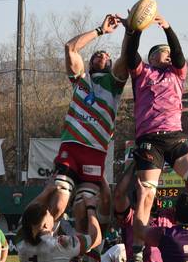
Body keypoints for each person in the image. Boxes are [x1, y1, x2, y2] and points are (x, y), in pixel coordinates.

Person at [122, 13, 188, 262]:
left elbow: (180, 55)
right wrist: (136, 29)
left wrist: (168, 29)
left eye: (169, 52)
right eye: (163, 52)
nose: (169, 55)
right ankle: (137, 252)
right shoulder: (142, 73)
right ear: (151, 58)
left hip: (174, 137)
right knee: (146, 194)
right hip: (150, 140)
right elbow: (130, 55)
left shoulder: (178, 72)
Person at [32, 14, 128, 225]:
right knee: (58, 201)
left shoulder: (115, 85)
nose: (102, 55)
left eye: (107, 55)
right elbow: (70, 48)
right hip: (72, 148)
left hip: (95, 152)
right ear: (91, 63)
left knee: (83, 209)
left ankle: (81, 253)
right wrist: (100, 31)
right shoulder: (80, 81)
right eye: (98, 54)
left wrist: (131, 31)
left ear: (111, 64)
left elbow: (126, 59)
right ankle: (41, 237)